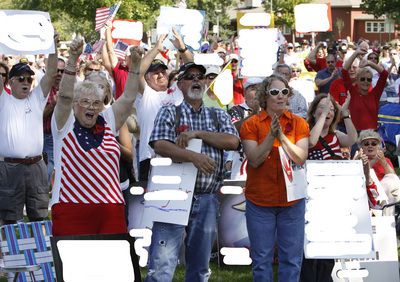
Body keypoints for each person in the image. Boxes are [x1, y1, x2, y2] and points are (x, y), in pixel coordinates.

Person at [145, 62, 239, 281]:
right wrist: (192, 157)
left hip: (206, 197)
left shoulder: (217, 115)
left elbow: (233, 141)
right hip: (173, 195)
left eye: (200, 76)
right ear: (179, 84)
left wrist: (198, 134)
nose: (196, 80)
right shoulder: (169, 111)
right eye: (190, 76)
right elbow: (159, 144)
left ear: (206, 82)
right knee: (162, 264)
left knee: (200, 266)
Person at [50, 37, 143, 236]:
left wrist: (135, 68)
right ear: (75, 104)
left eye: (95, 103)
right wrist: (73, 59)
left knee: (111, 264)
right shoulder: (64, 124)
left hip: (111, 208)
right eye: (84, 102)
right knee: (74, 265)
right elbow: (65, 96)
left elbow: (128, 98)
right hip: (71, 207)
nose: (91, 107)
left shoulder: (107, 119)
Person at [240, 74, 309, 281]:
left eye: (284, 92)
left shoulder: (299, 124)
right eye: (274, 92)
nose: (280, 96)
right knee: (261, 260)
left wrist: (282, 138)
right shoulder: (250, 125)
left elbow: (300, 157)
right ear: (264, 97)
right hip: (260, 201)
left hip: (292, 202)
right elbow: (254, 160)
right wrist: (271, 136)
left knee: (292, 259)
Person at [0, 31, 58, 224]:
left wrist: (52, 46)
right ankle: (8, 254)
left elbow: (50, 73)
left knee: (40, 215)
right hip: (9, 167)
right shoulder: (3, 99)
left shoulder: (37, 98)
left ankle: (42, 253)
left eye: (29, 79)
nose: (26, 82)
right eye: (21, 78)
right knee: (8, 217)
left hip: (36, 166)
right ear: (10, 82)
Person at [300, 93, 357, 282]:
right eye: (323, 107)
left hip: (333, 198)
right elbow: (312, 141)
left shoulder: (335, 136)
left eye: (332, 108)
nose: (329, 111)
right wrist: (323, 116)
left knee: (328, 244)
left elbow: (352, 139)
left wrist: (346, 114)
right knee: (310, 244)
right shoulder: (306, 130)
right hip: (311, 197)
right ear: (314, 111)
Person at [135, 31, 191, 181]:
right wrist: (156, 49)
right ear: (147, 79)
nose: (160, 75)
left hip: (178, 156)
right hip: (151, 157)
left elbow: (193, 69)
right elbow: (137, 73)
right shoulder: (146, 94)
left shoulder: (177, 92)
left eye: (163, 72)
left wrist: (182, 48)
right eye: (155, 73)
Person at [342, 42, 388, 131]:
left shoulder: (375, 95)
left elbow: (384, 74)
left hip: (372, 136)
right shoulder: (353, 93)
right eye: (363, 79)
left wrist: (369, 63)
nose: (366, 82)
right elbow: (344, 71)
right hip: (356, 136)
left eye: (369, 79)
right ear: (357, 80)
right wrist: (356, 53)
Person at [357, 130, 400, 215]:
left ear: (378, 147)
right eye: (366, 144)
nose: (370, 146)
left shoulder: (385, 159)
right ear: (361, 148)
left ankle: (388, 217)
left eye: (374, 143)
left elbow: (394, 179)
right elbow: (363, 175)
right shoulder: (358, 159)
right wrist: (375, 159)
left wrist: (383, 161)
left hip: (384, 194)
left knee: (393, 180)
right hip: (365, 193)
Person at [43, 58, 66, 182]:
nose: (59, 74)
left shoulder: (69, 90)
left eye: (62, 71)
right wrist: (52, 105)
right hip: (46, 136)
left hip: (63, 137)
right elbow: (38, 117)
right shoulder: (43, 90)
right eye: (57, 71)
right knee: (47, 170)